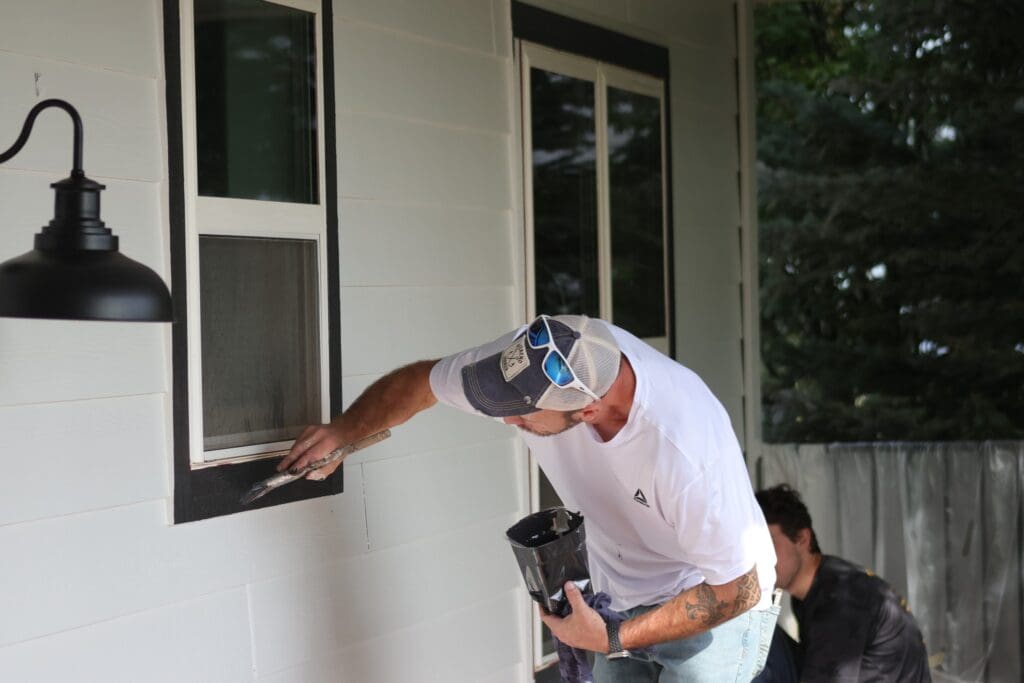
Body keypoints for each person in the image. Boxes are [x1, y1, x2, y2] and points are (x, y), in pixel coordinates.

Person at [280, 314, 779, 681]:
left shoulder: (682, 451)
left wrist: (611, 638)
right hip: (615, 597)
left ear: (586, 413)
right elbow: (422, 382)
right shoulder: (536, 358)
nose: (506, 419)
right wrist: (345, 430)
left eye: (520, 416)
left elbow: (740, 589)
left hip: (713, 601)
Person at [755, 484, 932, 682]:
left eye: (768, 544)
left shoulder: (841, 600)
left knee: (760, 640)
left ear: (802, 539)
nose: (760, 557)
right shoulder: (816, 588)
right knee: (756, 629)